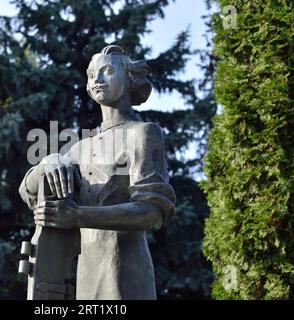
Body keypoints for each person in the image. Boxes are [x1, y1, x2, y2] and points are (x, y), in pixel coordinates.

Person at [19, 45, 176, 300]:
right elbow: (27, 191)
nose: (97, 80)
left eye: (106, 72)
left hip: (126, 276)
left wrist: (77, 216)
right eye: (92, 75)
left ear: (129, 78)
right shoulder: (80, 149)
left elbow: (153, 213)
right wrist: (47, 163)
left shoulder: (143, 133)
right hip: (85, 277)